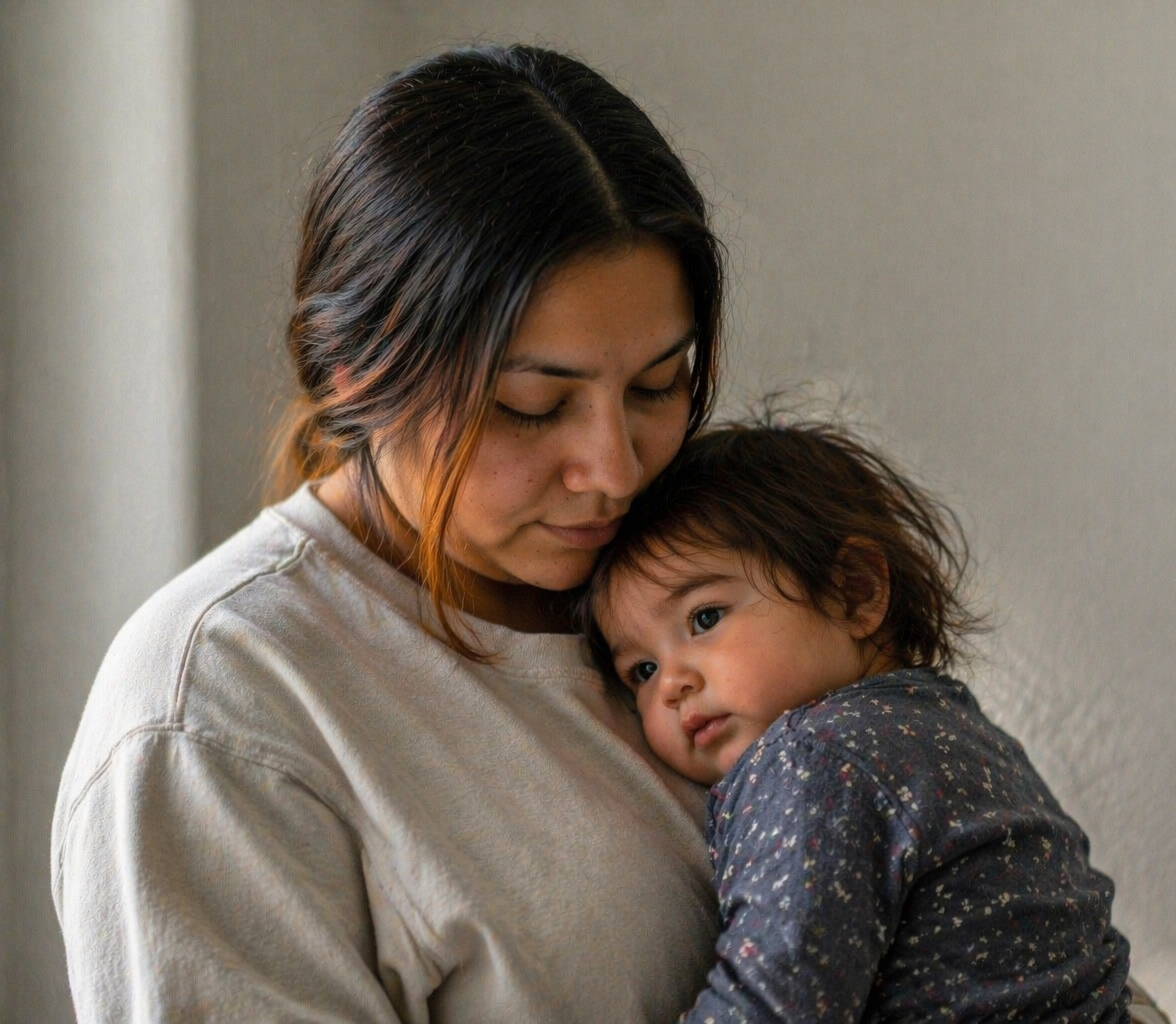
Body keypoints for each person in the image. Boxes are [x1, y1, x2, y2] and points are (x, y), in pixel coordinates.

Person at [51, 45, 728, 1022]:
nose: (614, 469)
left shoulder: (704, 574)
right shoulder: (219, 707)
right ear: (359, 376)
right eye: (531, 405)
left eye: (658, 386)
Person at [582, 418, 1138, 1023]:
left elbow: (772, 1003)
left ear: (854, 590)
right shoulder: (956, 727)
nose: (671, 684)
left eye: (705, 618)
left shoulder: (814, 758)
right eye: (640, 671)